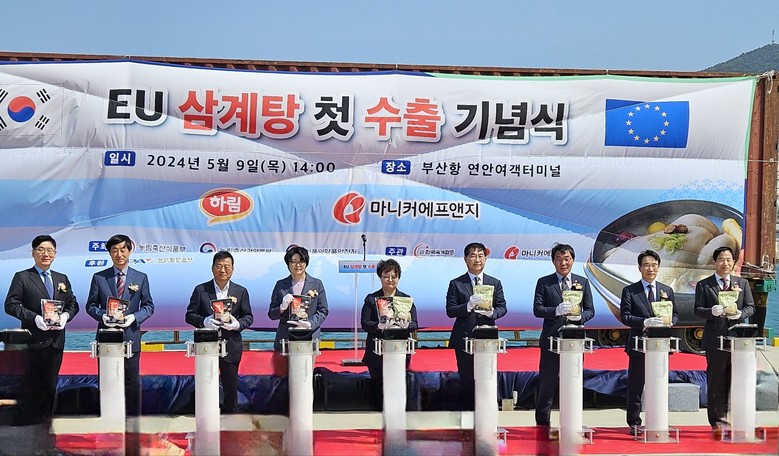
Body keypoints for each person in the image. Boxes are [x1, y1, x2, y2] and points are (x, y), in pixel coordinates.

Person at [4, 235, 79, 423]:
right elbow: (11, 305)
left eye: (50, 250)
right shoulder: (22, 277)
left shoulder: (62, 278)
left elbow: (73, 304)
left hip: (56, 341)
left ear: (55, 254)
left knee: (50, 384)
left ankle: (47, 422)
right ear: (33, 253)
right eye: (41, 249)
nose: (46, 254)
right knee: (32, 383)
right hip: (33, 340)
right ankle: (29, 423)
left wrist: (65, 316)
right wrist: (35, 318)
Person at [85, 234, 155, 416]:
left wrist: (134, 318)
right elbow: (90, 306)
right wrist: (103, 316)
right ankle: (108, 418)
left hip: (131, 337)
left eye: (123, 249)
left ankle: (131, 419)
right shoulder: (99, 277)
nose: (119, 254)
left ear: (129, 251)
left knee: (131, 381)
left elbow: (148, 306)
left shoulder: (141, 277)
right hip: (107, 338)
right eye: (114, 250)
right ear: (109, 253)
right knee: (107, 379)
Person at [693, 245, 754, 432]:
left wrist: (740, 314)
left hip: (737, 339)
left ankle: (733, 418)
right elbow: (698, 310)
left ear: (733, 262)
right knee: (716, 380)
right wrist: (711, 311)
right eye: (721, 259)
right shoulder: (704, 285)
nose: (725, 263)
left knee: (736, 379)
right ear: (714, 262)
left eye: (728, 260)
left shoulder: (742, 283)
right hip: (715, 338)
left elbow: (750, 307)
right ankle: (717, 421)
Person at [533, 243, 595, 427]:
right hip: (551, 340)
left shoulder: (582, 282)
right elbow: (537, 309)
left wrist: (580, 317)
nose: (563, 263)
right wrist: (555, 310)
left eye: (567, 259)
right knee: (547, 384)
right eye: (559, 259)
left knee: (573, 382)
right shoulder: (544, 282)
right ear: (553, 261)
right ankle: (542, 424)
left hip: (574, 341)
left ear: (573, 260)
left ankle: (572, 423)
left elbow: (590, 310)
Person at [185, 251, 253, 413]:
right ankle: (206, 415)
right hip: (207, 346)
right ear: (212, 268)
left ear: (232, 269)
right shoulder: (201, 290)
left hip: (231, 345)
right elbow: (189, 315)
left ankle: (230, 417)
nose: (222, 270)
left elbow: (248, 317)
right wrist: (205, 321)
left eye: (226, 266)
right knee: (206, 383)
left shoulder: (240, 291)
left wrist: (237, 324)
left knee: (230, 386)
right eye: (219, 266)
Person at [619, 249, 678, 434]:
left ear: (658, 267)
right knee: (636, 386)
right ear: (639, 268)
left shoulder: (667, 290)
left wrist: (670, 321)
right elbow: (625, 316)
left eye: (654, 265)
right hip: (638, 345)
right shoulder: (630, 291)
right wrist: (645, 322)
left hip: (660, 346)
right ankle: (634, 422)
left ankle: (658, 420)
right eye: (646, 265)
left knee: (658, 384)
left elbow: (675, 314)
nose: (650, 269)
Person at [446, 242, 507, 410]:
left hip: (487, 338)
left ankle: (487, 410)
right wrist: (467, 306)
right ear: (465, 259)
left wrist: (492, 313)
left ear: (486, 258)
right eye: (472, 256)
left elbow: (502, 307)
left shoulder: (494, 282)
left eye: (481, 256)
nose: (477, 260)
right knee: (466, 377)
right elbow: (450, 310)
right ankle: (467, 413)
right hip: (464, 338)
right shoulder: (456, 283)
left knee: (487, 376)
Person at [360, 259, 419, 410]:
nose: (390, 280)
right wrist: (378, 326)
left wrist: (407, 326)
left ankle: (397, 414)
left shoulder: (406, 299)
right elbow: (365, 323)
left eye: (394, 276)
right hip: (377, 351)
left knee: (397, 385)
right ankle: (379, 416)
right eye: (386, 276)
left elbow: (415, 323)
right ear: (380, 277)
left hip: (399, 349)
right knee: (378, 387)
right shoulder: (371, 299)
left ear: (399, 278)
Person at [267, 245, 329, 376]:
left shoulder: (317, 284)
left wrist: (310, 323)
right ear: (288, 264)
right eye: (293, 261)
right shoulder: (280, 285)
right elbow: (272, 314)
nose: (298, 265)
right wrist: (282, 308)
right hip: (285, 337)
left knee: (305, 376)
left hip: (309, 336)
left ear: (306, 263)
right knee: (283, 377)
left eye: (301, 261)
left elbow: (323, 310)